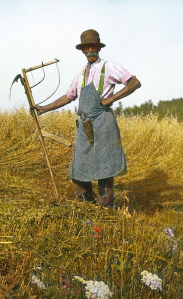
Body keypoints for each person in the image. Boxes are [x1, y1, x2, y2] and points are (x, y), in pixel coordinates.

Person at [35, 29, 141, 208]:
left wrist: (111, 99)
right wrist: (44, 108)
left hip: (103, 122)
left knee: (104, 163)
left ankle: (105, 207)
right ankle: (85, 205)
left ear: (98, 48)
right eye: (86, 47)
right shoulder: (81, 73)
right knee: (81, 163)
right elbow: (69, 96)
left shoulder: (108, 67)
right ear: (82, 50)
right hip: (85, 125)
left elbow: (134, 82)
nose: (90, 50)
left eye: (93, 46)